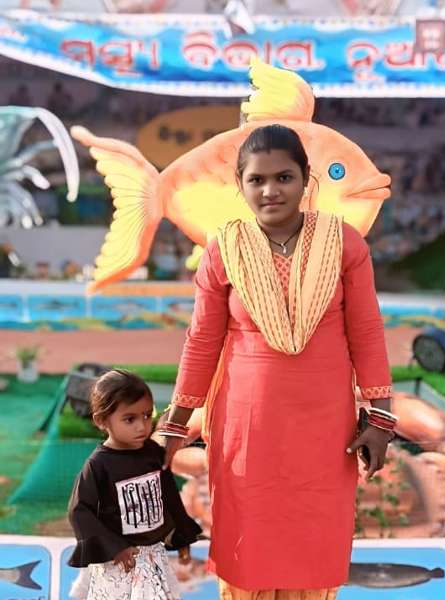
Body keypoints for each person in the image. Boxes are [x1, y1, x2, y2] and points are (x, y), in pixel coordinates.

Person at [157, 124, 395, 599]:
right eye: (257, 179)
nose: (271, 190)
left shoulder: (345, 244)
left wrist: (381, 418)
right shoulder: (224, 248)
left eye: (284, 177)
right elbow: (202, 341)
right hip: (247, 427)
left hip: (324, 429)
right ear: (240, 185)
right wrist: (175, 424)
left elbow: (366, 332)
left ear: (307, 179)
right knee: (249, 547)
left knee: (314, 547)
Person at [68, 369, 202, 600]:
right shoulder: (99, 465)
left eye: (147, 415)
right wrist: (115, 547)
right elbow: (79, 511)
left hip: (154, 557)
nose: (142, 426)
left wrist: (183, 536)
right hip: (118, 563)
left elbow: (169, 496)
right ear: (102, 421)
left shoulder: (154, 454)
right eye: (130, 419)